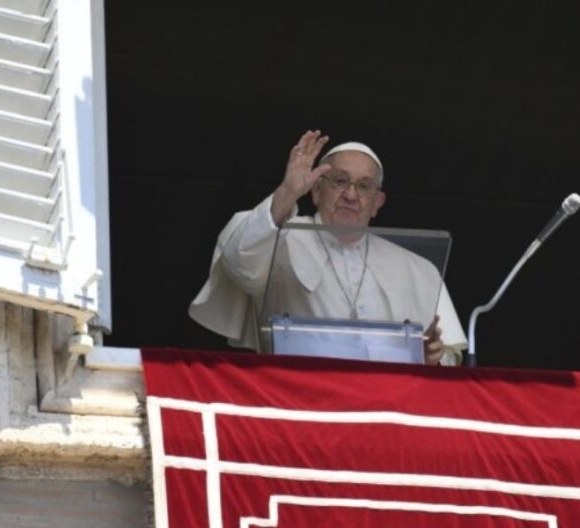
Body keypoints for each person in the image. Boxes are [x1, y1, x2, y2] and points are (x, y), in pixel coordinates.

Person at [189, 130, 467, 365]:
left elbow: (450, 357)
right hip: (297, 399)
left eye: (364, 186)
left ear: (378, 203)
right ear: (316, 190)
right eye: (340, 181)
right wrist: (287, 191)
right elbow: (241, 265)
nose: (350, 195)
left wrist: (431, 359)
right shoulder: (278, 237)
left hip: (385, 408)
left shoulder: (416, 267)